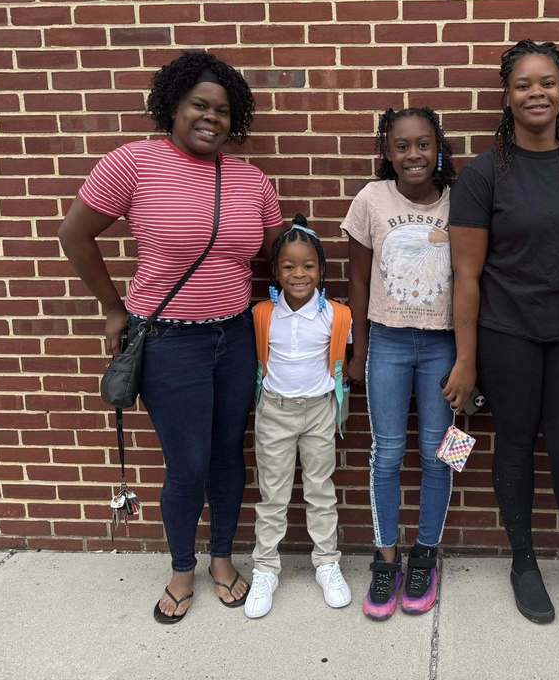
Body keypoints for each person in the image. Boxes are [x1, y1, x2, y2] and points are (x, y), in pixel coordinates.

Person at [58, 50, 283, 624]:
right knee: (188, 462)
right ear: (173, 107)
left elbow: (281, 250)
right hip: (169, 342)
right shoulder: (133, 163)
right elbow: (76, 235)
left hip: (234, 337)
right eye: (198, 105)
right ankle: (183, 568)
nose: (211, 118)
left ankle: (223, 560)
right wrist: (113, 308)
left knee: (230, 456)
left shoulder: (251, 179)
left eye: (223, 111)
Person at [447, 39, 559, 633]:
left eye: (546, 81)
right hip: (505, 332)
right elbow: (466, 276)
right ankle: (523, 561)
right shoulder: (483, 173)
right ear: (507, 95)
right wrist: (466, 360)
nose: (536, 93)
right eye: (523, 84)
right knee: (515, 446)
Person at [341, 107, 458, 620]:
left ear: (439, 148)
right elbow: (359, 283)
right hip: (386, 342)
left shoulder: (461, 202)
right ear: (387, 152)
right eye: (402, 145)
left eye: (424, 144)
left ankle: (425, 556)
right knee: (386, 455)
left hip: (442, 345)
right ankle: (386, 557)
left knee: (439, 455)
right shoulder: (371, 200)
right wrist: (359, 349)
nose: (414, 154)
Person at [243, 215, 353, 618]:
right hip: (275, 411)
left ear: (322, 270)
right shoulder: (262, 314)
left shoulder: (337, 316)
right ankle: (266, 568)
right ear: (275, 271)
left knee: (320, 490)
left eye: (308, 266)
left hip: (320, 411)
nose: (299, 274)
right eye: (288, 266)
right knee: (273, 494)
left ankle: (327, 562)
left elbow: (344, 361)